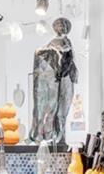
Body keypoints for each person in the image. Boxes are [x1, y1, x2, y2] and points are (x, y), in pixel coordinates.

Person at [30, 17, 78, 147]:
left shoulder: (67, 44)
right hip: (53, 81)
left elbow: (68, 60)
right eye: (58, 26)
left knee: (62, 109)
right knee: (50, 106)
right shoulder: (51, 45)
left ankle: (58, 136)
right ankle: (47, 135)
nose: (60, 28)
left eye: (63, 26)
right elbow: (43, 55)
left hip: (64, 79)